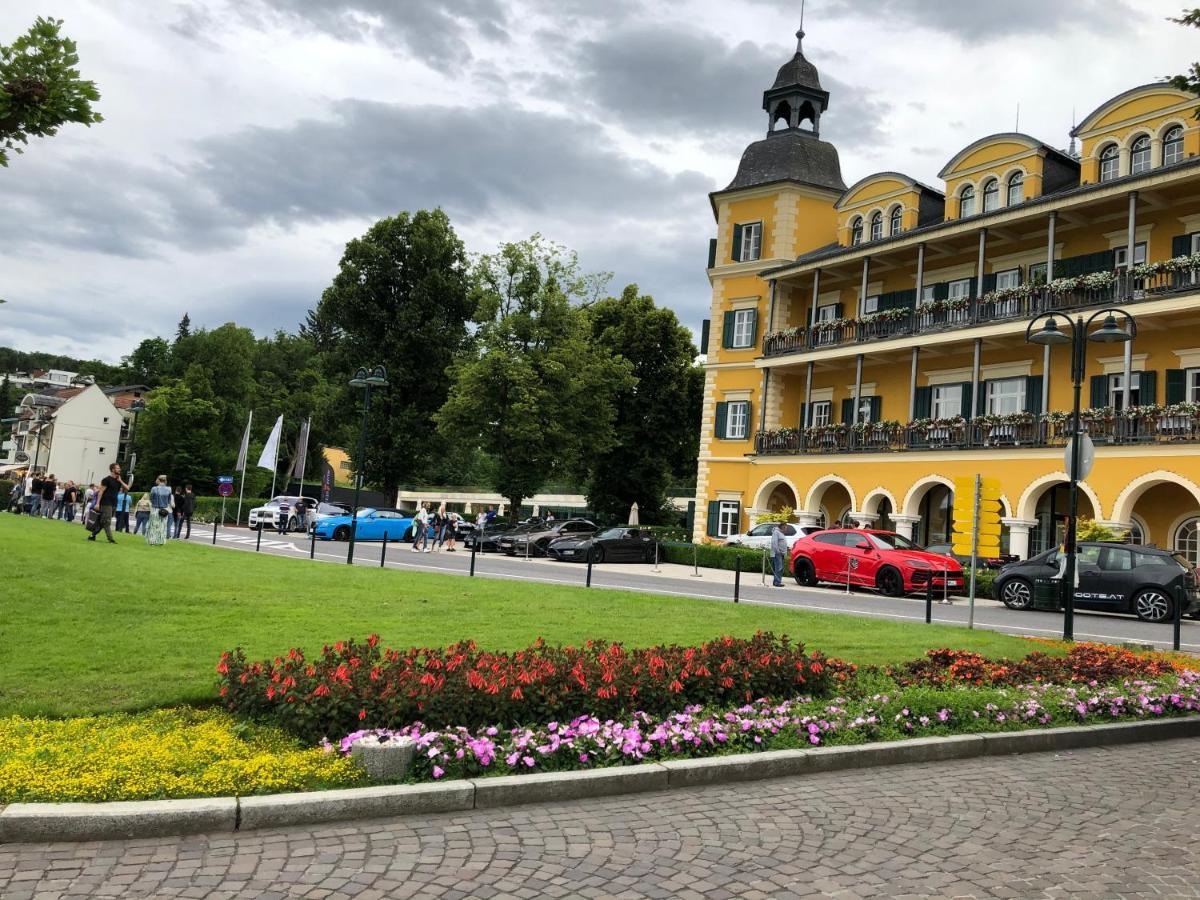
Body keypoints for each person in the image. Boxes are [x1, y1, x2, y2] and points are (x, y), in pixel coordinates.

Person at [88, 462, 130, 544]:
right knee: (107, 522)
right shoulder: (106, 479)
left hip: (114, 503)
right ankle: (110, 539)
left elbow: (127, 488)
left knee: (103, 522)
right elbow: (101, 491)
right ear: (113, 469)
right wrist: (97, 503)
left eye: (119, 468)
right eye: (117, 468)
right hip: (105, 503)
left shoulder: (118, 480)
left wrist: (120, 480)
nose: (119, 469)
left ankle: (92, 536)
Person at [146, 475, 173, 546]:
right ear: (165, 480)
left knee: (153, 526)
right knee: (162, 526)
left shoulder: (154, 489)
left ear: (159, 480)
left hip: (155, 509)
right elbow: (169, 501)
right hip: (164, 509)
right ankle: (161, 541)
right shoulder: (169, 489)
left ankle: (152, 541)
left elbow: (151, 498)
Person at [770, 522, 788, 588]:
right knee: (779, 568)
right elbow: (774, 543)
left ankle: (776, 581)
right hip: (777, 553)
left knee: (779, 568)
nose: (787, 529)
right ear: (783, 527)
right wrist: (778, 551)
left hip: (781, 553)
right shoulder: (776, 532)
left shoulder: (781, 533)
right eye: (786, 527)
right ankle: (777, 582)